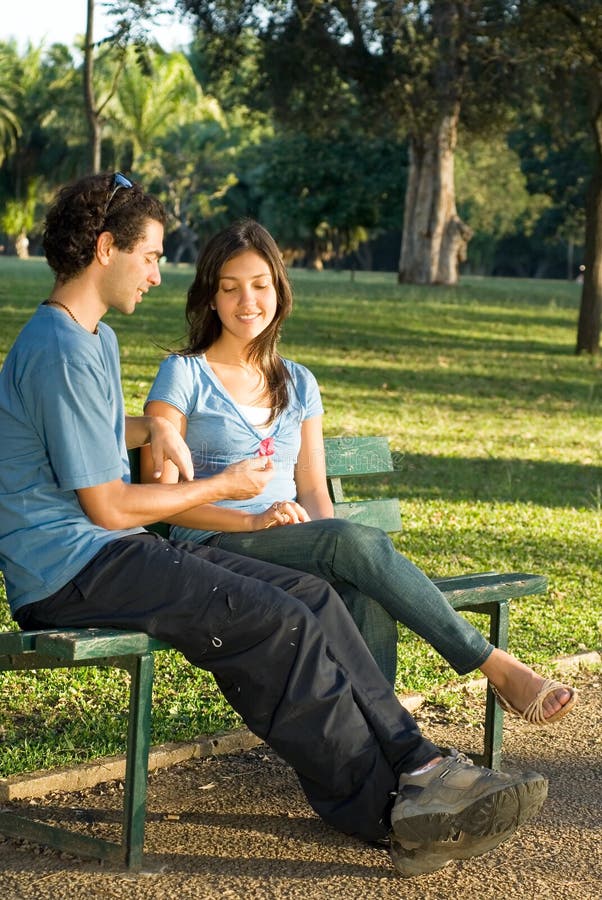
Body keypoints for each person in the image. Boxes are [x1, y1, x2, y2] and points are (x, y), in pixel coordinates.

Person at [0, 174, 549, 879]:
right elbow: (106, 506)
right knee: (273, 620)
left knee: (312, 597)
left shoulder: (93, 338)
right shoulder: (58, 346)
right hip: (70, 570)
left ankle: (422, 763)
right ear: (107, 248)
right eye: (150, 256)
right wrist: (222, 483)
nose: (157, 275)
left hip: (110, 555)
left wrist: (151, 432)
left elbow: (90, 431)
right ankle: (389, 814)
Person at [143, 218, 577, 726]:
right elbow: (161, 498)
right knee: (352, 545)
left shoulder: (299, 382)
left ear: (279, 292)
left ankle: (380, 753)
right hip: (213, 547)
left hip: (292, 543)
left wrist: (321, 535)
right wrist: (257, 522)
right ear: (210, 297)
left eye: (260, 286)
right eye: (230, 288)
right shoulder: (185, 373)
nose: (247, 302)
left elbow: (311, 488)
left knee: (364, 591)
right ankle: (494, 667)